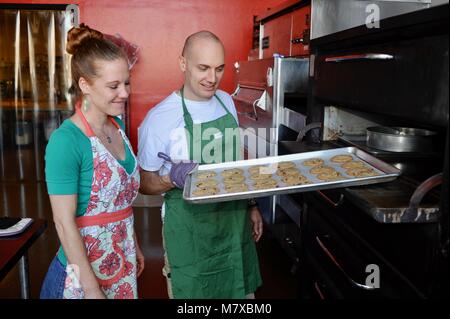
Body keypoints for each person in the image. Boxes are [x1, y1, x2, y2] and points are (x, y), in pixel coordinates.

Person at [138, 30, 262, 299]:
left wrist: (251, 205)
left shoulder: (226, 102)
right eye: (203, 68)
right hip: (189, 233)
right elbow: (143, 184)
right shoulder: (159, 119)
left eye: (219, 69)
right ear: (183, 63)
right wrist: (171, 178)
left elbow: (235, 163)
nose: (212, 78)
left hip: (233, 224)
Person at [40, 24, 144, 299]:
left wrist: (132, 245)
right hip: (81, 279)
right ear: (85, 85)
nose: (124, 93)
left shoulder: (118, 126)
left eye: (127, 83)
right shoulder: (66, 141)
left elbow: (119, 200)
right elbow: (63, 222)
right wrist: (91, 288)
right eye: (113, 86)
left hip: (121, 263)